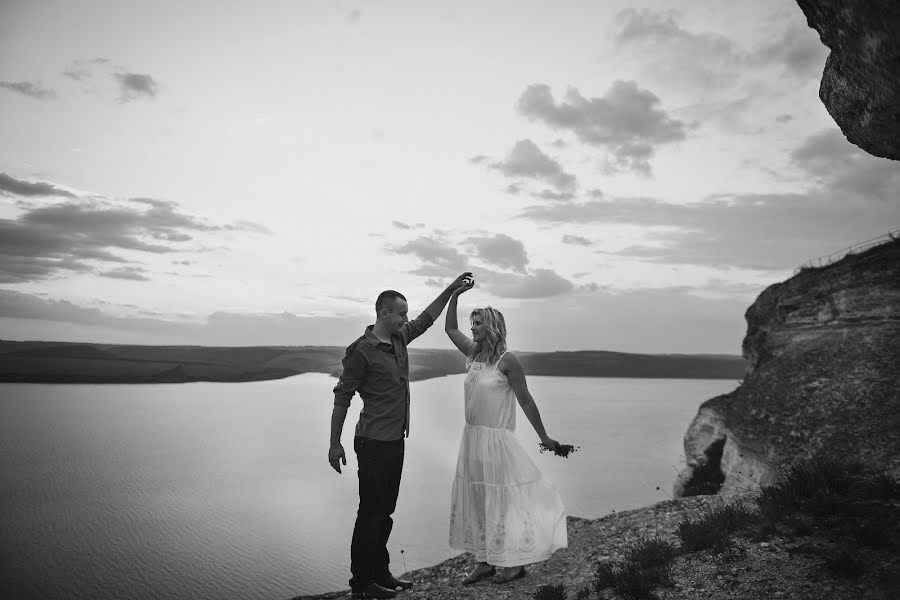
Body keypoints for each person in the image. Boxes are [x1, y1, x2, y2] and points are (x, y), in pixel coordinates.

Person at [329, 272, 473, 600]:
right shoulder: (361, 351)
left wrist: (451, 289)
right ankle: (361, 585)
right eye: (401, 314)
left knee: (385, 512)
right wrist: (334, 443)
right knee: (370, 514)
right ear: (384, 314)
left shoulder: (397, 340)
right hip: (372, 443)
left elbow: (427, 319)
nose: (406, 319)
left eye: (406, 314)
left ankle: (380, 572)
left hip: (395, 441)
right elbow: (342, 397)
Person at [444, 278, 568, 585]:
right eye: (471, 323)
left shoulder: (507, 360)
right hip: (472, 438)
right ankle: (484, 562)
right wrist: (454, 295)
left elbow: (525, 399)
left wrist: (545, 438)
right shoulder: (472, 352)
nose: (472, 328)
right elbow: (449, 329)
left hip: (496, 440)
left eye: (477, 324)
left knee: (502, 501)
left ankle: (514, 564)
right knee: (477, 499)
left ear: (492, 326)